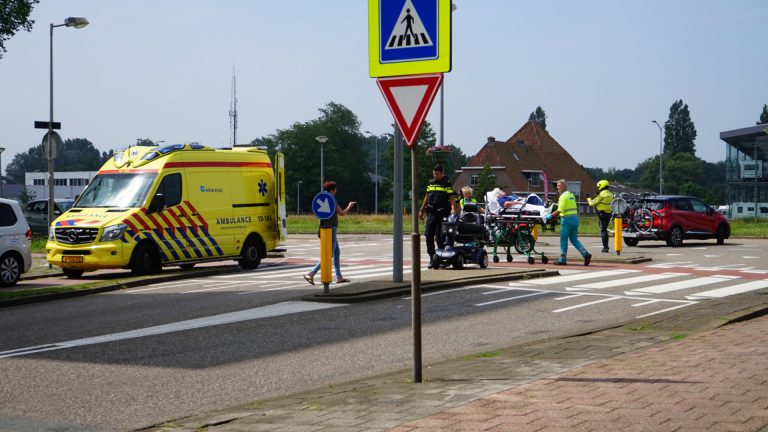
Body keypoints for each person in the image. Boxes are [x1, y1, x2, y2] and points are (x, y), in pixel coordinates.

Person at [304, 181, 356, 285]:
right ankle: (311, 273)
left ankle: (339, 277)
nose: (336, 191)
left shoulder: (323, 197)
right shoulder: (331, 199)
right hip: (331, 229)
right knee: (329, 254)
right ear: (332, 190)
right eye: (335, 190)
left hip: (324, 228)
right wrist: (349, 206)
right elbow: (342, 213)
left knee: (337, 252)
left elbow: (319, 214)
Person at [418, 164, 459, 268]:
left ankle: (442, 257)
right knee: (428, 234)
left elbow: (451, 197)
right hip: (431, 212)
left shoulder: (446, 183)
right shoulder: (431, 183)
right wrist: (422, 210)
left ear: (442, 173)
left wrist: (453, 209)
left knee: (440, 236)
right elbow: (427, 196)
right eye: (434, 174)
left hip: (443, 212)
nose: (435, 176)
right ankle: (432, 257)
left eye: (437, 174)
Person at [546, 179, 592, 266]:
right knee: (574, 239)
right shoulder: (571, 195)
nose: (557, 187)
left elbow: (560, 210)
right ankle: (585, 254)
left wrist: (550, 216)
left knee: (563, 239)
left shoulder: (563, 196)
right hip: (575, 219)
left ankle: (562, 259)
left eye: (558, 186)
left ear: (563, 186)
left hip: (567, 220)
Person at [587, 180, 613, 253]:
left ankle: (605, 247)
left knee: (603, 230)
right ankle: (606, 247)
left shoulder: (601, 195)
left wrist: (588, 198)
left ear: (601, 186)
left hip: (602, 214)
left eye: (598, 187)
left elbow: (591, 204)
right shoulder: (611, 194)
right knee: (605, 229)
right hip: (609, 213)